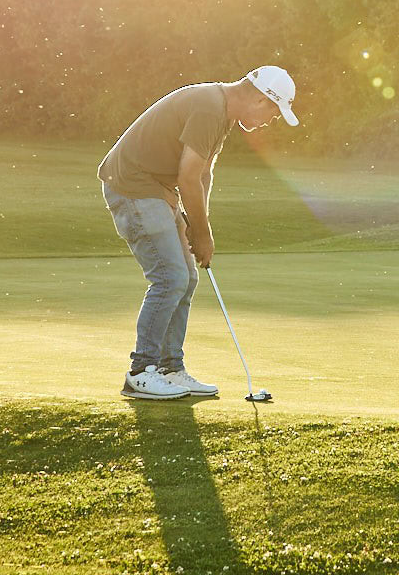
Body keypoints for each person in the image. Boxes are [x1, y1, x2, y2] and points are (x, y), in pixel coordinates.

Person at [99, 66, 299, 399]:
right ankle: (141, 372)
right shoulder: (209, 108)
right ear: (261, 100)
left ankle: (170, 369)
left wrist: (198, 221)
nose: (270, 121)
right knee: (169, 278)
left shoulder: (222, 112)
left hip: (156, 190)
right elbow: (188, 177)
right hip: (134, 188)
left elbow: (203, 174)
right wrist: (202, 235)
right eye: (274, 113)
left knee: (186, 279)